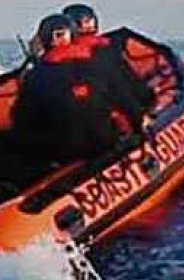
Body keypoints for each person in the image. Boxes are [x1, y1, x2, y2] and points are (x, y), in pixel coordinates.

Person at [7, 14, 122, 180]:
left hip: (63, 151)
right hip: (103, 142)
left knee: (7, 141)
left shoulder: (37, 76)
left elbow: (22, 119)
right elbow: (123, 98)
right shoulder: (100, 65)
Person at [61, 3, 157, 132]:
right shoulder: (106, 52)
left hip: (82, 128)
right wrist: (141, 115)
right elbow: (124, 88)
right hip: (110, 123)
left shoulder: (59, 59)